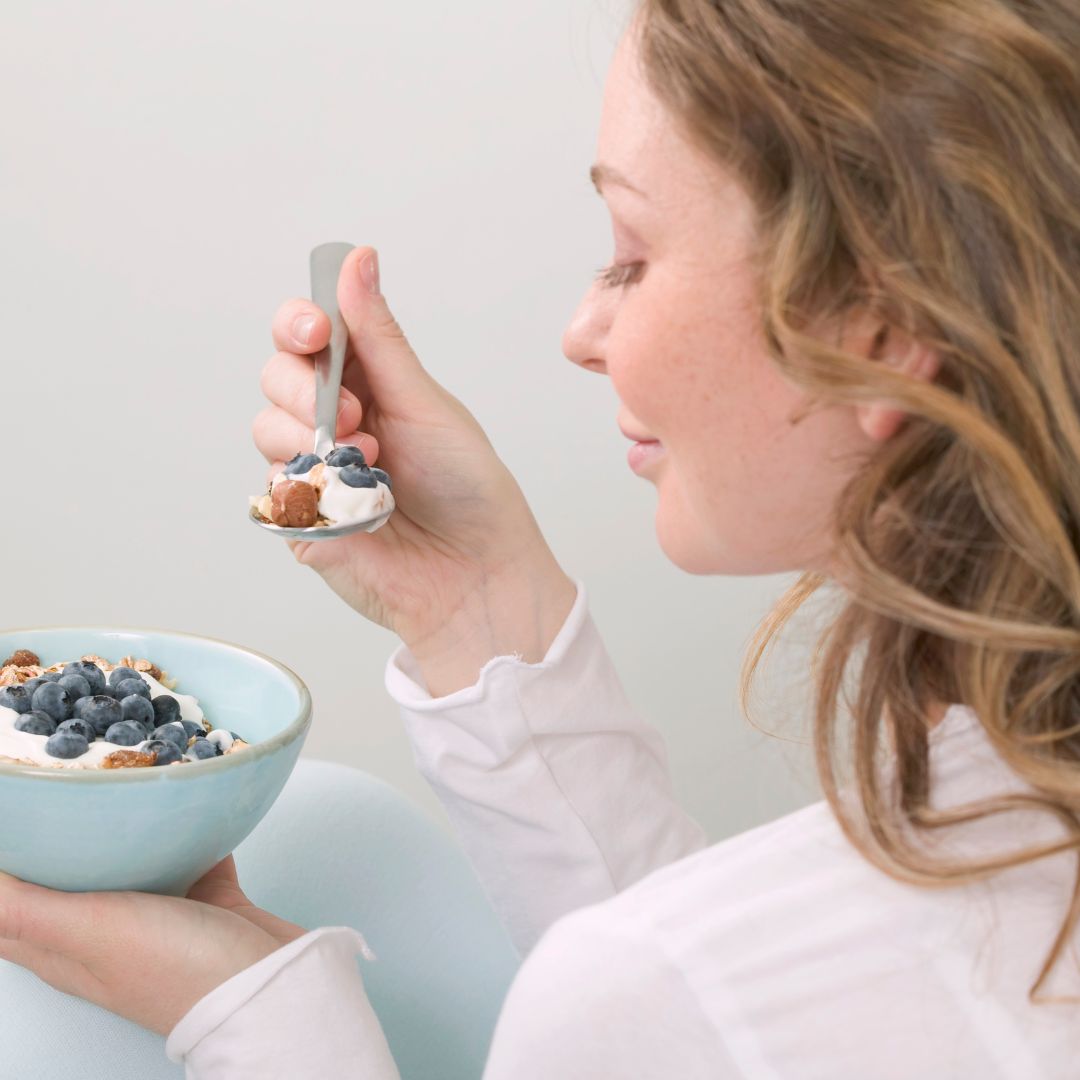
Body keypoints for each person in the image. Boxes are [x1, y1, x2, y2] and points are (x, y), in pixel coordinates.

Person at [2, 0, 1079, 1074]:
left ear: (879, 329)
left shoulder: (671, 992)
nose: (581, 333)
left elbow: (691, 1007)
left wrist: (265, 1024)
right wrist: (466, 601)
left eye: (630, 255)